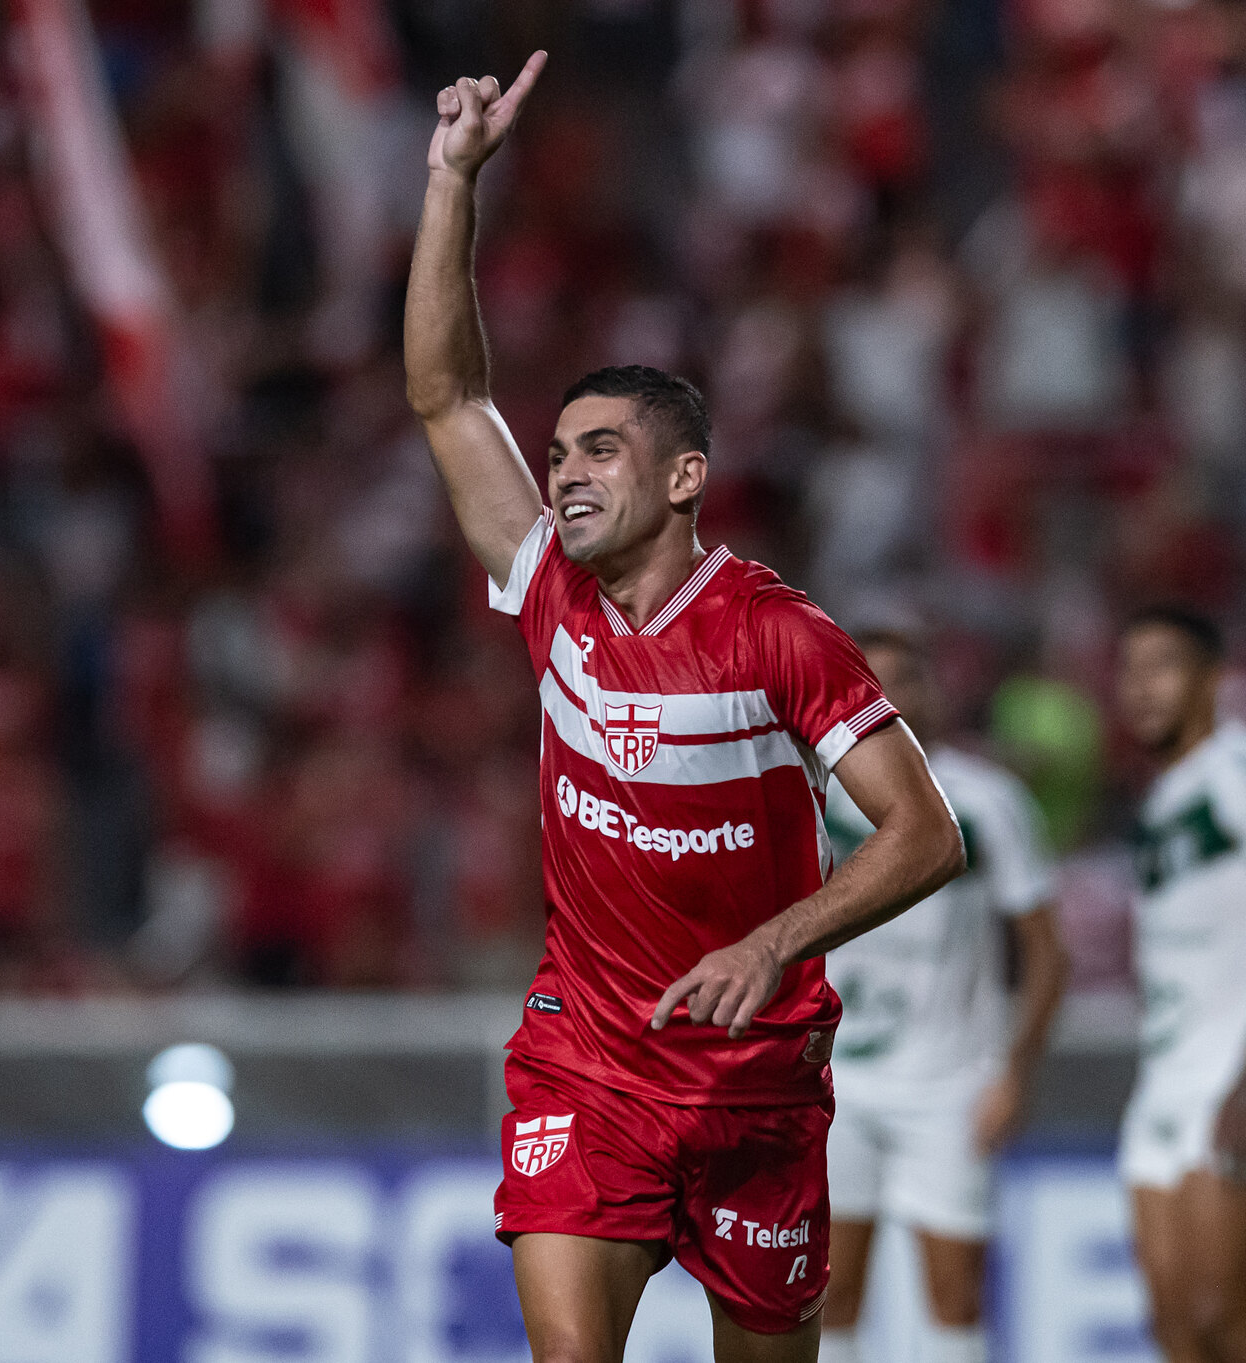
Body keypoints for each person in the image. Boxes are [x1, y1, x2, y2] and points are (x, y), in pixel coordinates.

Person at [404, 55, 964, 1363]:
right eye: (558, 453)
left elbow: (924, 835)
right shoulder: (548, 590)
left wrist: (775, 941)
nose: (567, 472)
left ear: (686, 477)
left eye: (601, 448)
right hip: (587, 1067)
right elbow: (445, 393)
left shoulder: (780, 634)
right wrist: (450, 186)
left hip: (758, 1087)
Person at [817, 631, 1069, 1363]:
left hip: (950, 1083)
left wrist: (1014, 1072)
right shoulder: (814, 786)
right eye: (875, 677)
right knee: (832, 1294)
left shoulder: (987, 800)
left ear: (934, 691)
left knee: (955, 1300)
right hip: (839, 1082)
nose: (892, 693)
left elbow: (1047, 950)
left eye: (908, 677)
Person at [1114, 605, 1246, 1363]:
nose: (1141, 688)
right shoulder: (1163, 800)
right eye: (1130, 670)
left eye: (1163, 666)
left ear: (1212, 679)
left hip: (1235, 1072)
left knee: (1220, 1317)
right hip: (1167, 1078)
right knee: (1178, 1331)